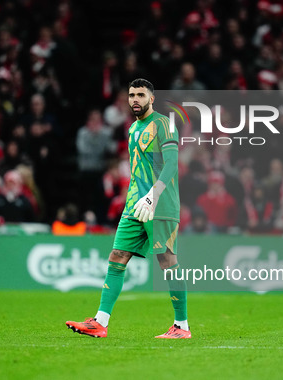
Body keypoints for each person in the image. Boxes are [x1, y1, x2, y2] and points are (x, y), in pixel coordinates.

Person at [66, 79, 189, 339]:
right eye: (132, 95)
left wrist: (153, 196)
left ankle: (182, 326)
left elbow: (171, 165)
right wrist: (135, 200)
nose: (135, 99)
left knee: (167, 261)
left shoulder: (164, 124)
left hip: (161, 203)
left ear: (151, 98)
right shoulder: (133, 129)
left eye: (141, 95)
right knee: (117, 255)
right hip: (134, 205)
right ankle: (100, 322)